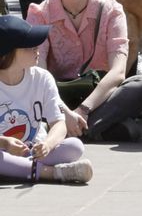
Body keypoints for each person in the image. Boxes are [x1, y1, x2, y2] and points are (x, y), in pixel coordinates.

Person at [25, 0, 142, 142]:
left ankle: (66, 129)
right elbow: (38, 73)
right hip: (55, 95)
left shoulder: (112, 11)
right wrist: (64, 110)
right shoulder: (39, 14)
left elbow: (118, 72)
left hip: (97, 97)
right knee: (27, 89)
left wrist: (83, 110)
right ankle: (97, 127)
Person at [0, 15, 93, 184]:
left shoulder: (42, 77)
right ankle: (52, 173)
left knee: (74, 146)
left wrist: (48, 145)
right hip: (3, 151)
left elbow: (59, 123)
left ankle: (16, 169)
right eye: (30, 46)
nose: (37, 49)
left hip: (34, 151)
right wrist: (5, 143)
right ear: (7, 54)